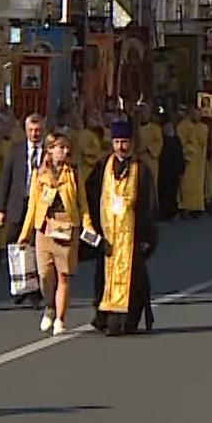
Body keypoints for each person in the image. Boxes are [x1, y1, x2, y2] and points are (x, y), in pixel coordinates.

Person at [15, 131, 94, 336]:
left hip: (67, 228)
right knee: (45, 275)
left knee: (64, 276)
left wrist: (88, 225)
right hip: (45, 229)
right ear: (50, 150)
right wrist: (24, 234)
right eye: (60, 147)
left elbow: (82, 203)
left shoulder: (74, 172)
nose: (64, 151)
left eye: (67, 147)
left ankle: (60, 318)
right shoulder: (39, 173)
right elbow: (33, 205)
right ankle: (49, 305)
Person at [86, 120, 158, 336]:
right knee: (103, 276)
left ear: (131, 143)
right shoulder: (103, 166)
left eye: (124, 142)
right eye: (117, 142)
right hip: (107, 234)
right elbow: (90, 195)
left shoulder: (141, 169)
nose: (121, 147)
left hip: (132, 235)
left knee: (133, 279)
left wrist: (147, 237)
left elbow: (149, 205)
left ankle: (128, 320)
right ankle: (104, 316)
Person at [0, 112, 46, 307]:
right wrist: (0, 209)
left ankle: (34, 291)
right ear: (26, 131)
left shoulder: (48, 153)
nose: (35, 134)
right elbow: (5, 180)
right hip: (18, 204)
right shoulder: (16, 152)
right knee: (15, 246)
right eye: (31, 130)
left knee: (34, 247)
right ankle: (19, 285)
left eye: (38, 130)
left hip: (39, 206)